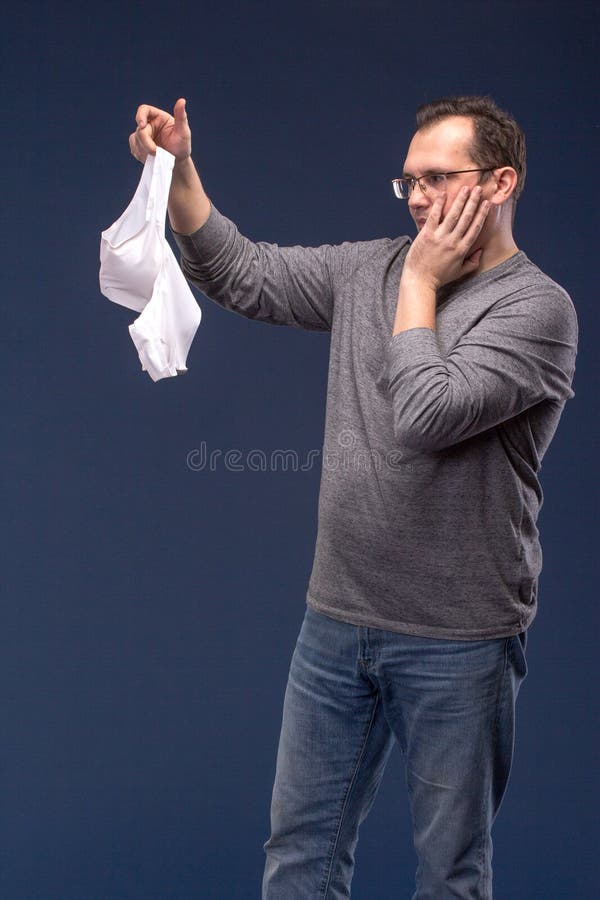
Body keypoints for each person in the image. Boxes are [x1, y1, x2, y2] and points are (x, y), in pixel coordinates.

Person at [129, 95, 578, 899]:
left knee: (450, 875)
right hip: (334, 622)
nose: (416, 197)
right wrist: (181, 169)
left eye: (438, 178)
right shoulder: (367, 268)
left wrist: (419, 279)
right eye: (408, 180)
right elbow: (242, 271)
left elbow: (426, 411)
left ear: (502, 182)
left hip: (459, 639)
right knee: (300, 853)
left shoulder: (536, 309)